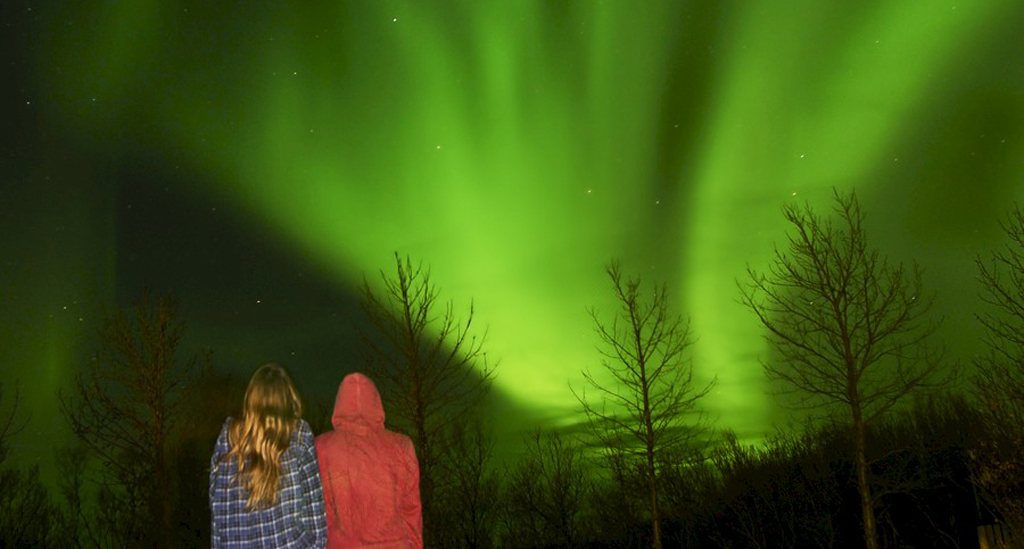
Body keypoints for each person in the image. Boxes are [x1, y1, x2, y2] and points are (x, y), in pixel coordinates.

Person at [209, 363, 327, 548]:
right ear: (288, 398)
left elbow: (217, 514)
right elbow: (316, 517)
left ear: (251, 400)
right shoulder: (299, 436)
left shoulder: (226, 441)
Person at [316, 372, 422, 548]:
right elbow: (412, 510)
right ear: (375, 401)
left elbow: (321, 514)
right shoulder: (402, 445)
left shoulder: (322, 446)